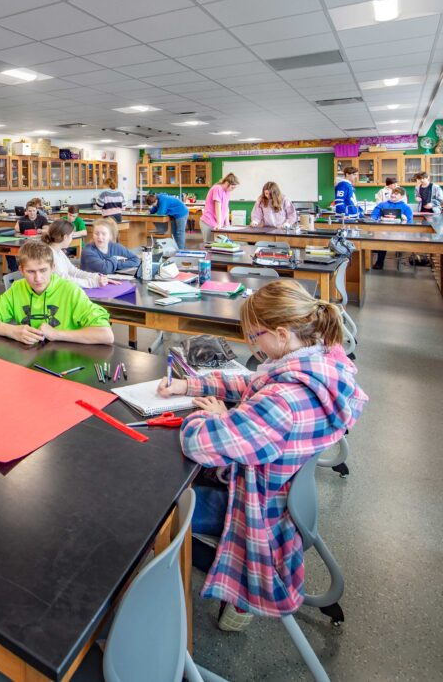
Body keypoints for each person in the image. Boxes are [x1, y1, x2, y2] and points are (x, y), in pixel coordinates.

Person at [156, 279, 367, 631]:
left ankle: (171, 610)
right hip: (285, 494)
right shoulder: (318, 365)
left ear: (282, 334)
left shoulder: (284, 401)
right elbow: (252, 384)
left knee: (158, 505)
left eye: (255, 337)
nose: (251, 345)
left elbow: (198, 443)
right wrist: (190, 385)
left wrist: (213, 416)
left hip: (257, 508)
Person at [0, 240, 113, 345]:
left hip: (66, 361)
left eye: (43, 270)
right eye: (31, 272)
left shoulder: (71, 291)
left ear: (53, 268)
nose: (38, 278)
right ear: (21, 270)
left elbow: (106, 335)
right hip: (29, 361)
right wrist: (12, 331)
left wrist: (57, 334)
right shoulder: (17, 288)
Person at [40, 219, 107, 289]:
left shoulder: (59, 251)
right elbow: (65, 280)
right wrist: (93, 282)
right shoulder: (49, 254)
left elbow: (73, 271)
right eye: (72, 236)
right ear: (65, 237)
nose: (72, 239)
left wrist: (96, 276)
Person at [369, 186, 414, 270]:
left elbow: (410, 223)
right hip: (383, 232)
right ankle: (379, 261)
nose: (393, 195)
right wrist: (378, 219)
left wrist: (405, 219)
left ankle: (379, 259)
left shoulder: (406, 207)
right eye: (392, 193)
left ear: (402, 196)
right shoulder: (382, 204)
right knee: (381, 240)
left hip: (398, 233)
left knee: (384, 241)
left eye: (396, 194)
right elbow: (373, 216)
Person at [7, 203, 49, 273]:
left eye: (33, 210)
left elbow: (47, 229)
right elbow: (16, 229)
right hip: (23, 241)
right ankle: (14, 270)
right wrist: (19, 222)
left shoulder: (42, 218)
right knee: (8, 250)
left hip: (37, 243)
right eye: (30, 211)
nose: (32, 213)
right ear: (26, 211)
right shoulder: (23, 218)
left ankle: (31, 268)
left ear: (36, 210)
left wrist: (40, 230)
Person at [200, 173, 240, 243]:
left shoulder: (227, 191)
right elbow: (217, 207)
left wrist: (227, 223)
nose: (233, 189)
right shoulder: (217, 188)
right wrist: (219, 223)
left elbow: (226, 208)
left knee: (218, 245)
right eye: (232, 187)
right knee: (210, 245)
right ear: (227, 183)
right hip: (208, 222)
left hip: (217, 223)